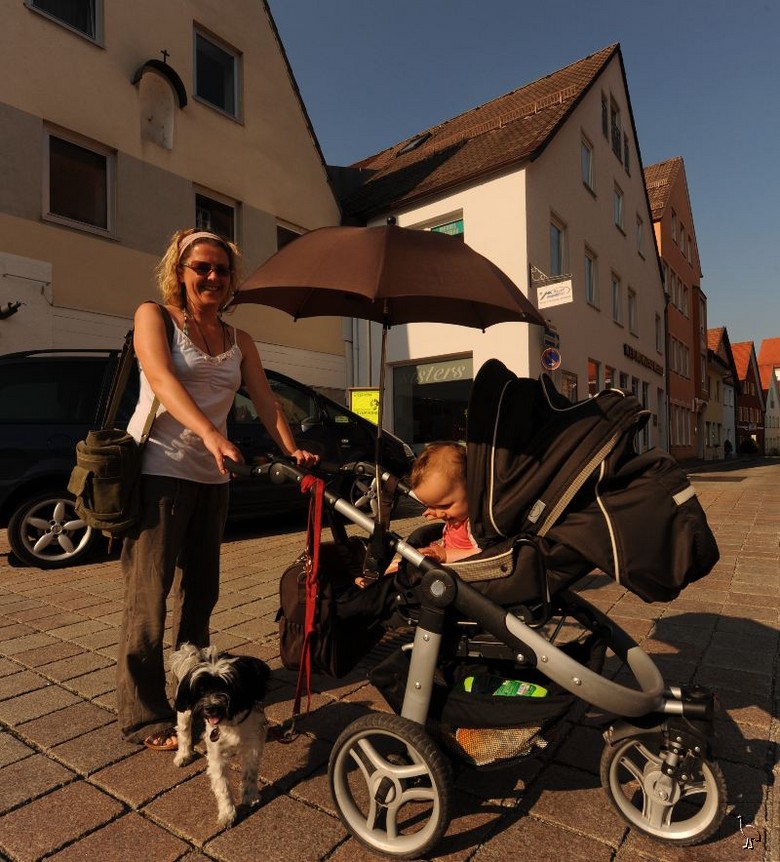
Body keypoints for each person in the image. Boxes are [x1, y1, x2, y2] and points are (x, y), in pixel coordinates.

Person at [117, 228, 318, 750]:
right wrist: (210, 434)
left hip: (212, 479)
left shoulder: (238, 339)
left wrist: (291, 449)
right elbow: (162, 379)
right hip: (159, 473)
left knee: (201, 597)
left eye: (222, 270)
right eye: (201, 267)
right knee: (148, 600)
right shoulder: (154, 316)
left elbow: (265, 399)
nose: (212, 276)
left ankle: (195, 695)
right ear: (179, 271)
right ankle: (145, 716)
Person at [409, 442, 479, 564]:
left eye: (444, 506)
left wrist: (445, 555)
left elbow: (482, 553)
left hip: (464, 569)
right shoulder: (458, 515)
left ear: (471, 489)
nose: (440, 514)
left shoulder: (474, 524)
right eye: (430, 505)